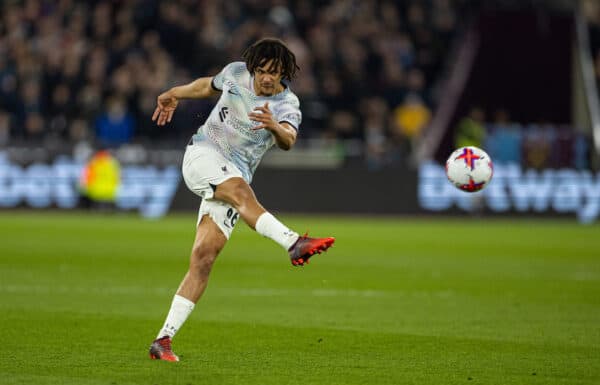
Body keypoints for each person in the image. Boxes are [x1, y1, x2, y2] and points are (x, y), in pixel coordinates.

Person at [148, 38, 335, 362]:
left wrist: (274, 126)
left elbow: (289, 140)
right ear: (253, 69)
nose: (265, 78)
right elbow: (207, 86)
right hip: (203, 155)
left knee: (204, 258)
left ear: (283, 74)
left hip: (235, 174)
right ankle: (293, 243)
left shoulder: (287, 104)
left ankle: (162, 340)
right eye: (261, 70)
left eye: (273, 73)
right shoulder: (235, 74)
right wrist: (174, 93)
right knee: (241, 193)